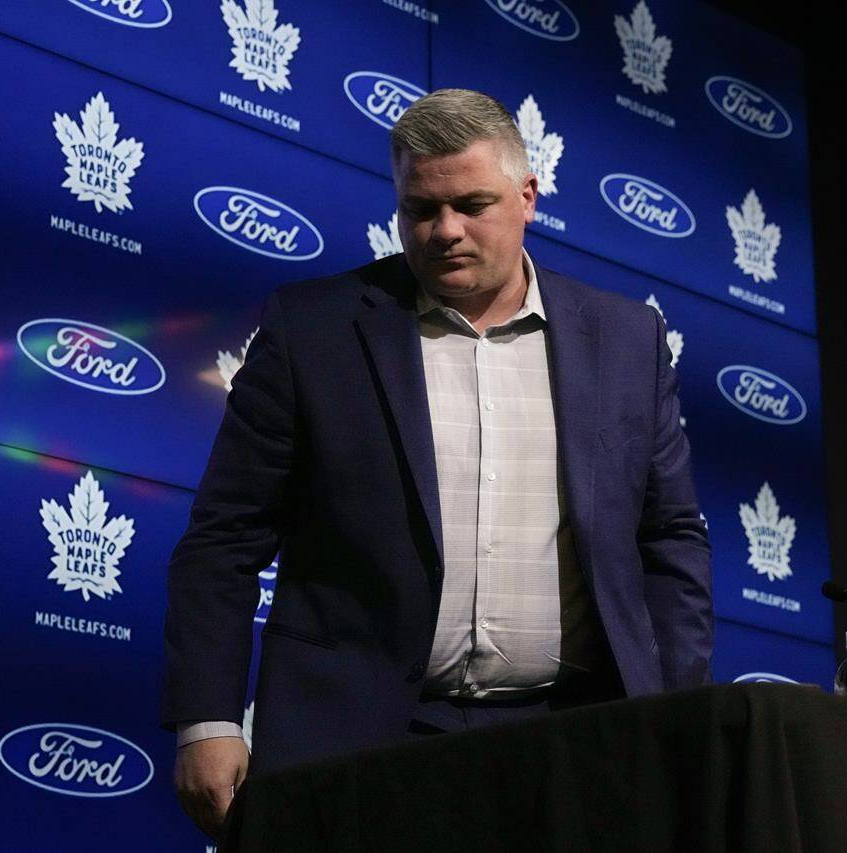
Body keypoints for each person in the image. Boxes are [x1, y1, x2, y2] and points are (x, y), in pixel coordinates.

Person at [161, 88, 713, 840]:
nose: (445, 230)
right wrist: (207, 719)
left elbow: (671, 538)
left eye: (472, 204)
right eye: (421, 209)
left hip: (576, 740)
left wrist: (676, 712)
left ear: (528, 198)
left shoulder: (627, 340)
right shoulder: (312, 328)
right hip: (359, 742)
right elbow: (224, 538)